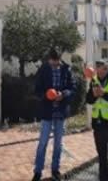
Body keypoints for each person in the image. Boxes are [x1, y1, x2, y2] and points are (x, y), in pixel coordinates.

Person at [32, 49, 75, 181]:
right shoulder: (43, 70)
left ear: (59, 59)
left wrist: (64, 94)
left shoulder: (66, 70)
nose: (55, 63)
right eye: (52, 61)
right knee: (43, 143)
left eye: (57, 61)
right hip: (47, 112)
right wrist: (46, 95)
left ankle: (55, 170)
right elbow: (37, 90)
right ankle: (38, 172)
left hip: (60, 112)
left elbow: (73, 88)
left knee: (58, 144)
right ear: (49, 59)